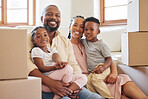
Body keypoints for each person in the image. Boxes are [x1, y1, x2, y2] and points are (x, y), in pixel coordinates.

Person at [28, 5, 104, 99]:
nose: (54, 18)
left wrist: (75, 87)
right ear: (41, 18)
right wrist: (51, 83)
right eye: (49, 14)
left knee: (96, 98)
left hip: (68, 84)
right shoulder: (30, 39)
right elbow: (28, 66)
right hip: (44, 86)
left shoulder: (65, 41)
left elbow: (73, 64)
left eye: (57, 15)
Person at [69, 15, 148, 99]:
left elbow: (108, 58)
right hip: (91, 82)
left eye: (81, 26)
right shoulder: (65, 45)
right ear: (70, 27)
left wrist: (114, 72)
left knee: (124, 81)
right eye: (75, 25)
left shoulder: (87, 42)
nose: (78, 29)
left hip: (103, 75)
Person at [30, 26, 87, 99]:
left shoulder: (51, 49)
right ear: (33, 40)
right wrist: (54, 67)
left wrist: (59, 62)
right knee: (68, 68)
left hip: (59, 78)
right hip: (47, 80)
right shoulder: (36, 50)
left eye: (45, 35)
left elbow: (55, 56)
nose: (43, 38)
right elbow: (41, 67)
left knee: (83, 77)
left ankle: (67, 92)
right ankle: (66, 90)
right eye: (38, 36)